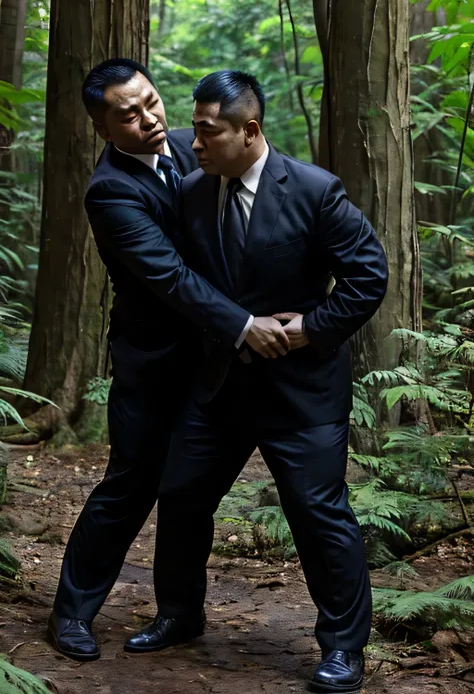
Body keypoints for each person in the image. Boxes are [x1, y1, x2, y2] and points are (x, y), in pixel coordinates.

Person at [125, 71, 389, 694]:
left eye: (208, 132)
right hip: (218, 387)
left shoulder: (315, 190)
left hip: (302, 392)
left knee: (318, 513)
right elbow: (181, 285)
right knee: (183, 495)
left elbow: (367, 278)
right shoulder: (191, 192)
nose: (194, 143)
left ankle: (344, 650)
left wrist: (306, 330)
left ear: (250, 130)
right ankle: (180, 614)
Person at [47, 59, 291, 662]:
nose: (148, 119)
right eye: (128, 116)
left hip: (214, 362)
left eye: (151, 102)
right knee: (131, 485)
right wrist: (243, 324)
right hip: (153, 363)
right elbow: (173, 278)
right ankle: (71, 612)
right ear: (105, 130)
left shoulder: (190, 144)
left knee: (188, 493)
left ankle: (181, 611)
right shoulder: (111, 192)